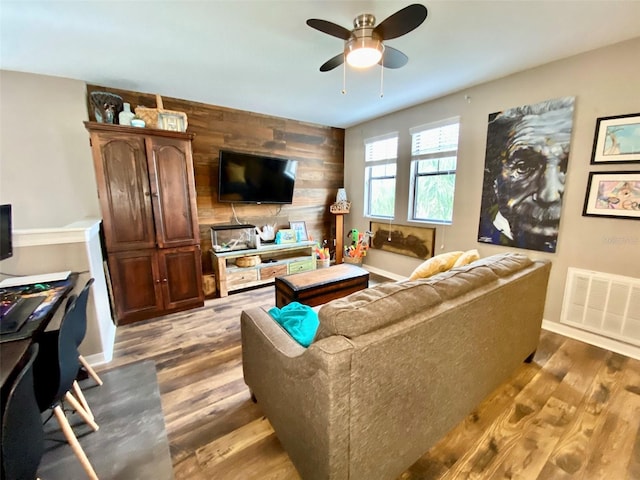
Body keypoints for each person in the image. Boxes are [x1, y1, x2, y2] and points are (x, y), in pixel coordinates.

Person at [478, 97, 575, 253]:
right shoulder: (485, 234)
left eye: (565, 168)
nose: (549, 195)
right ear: (495, 179)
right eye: (524, 166)